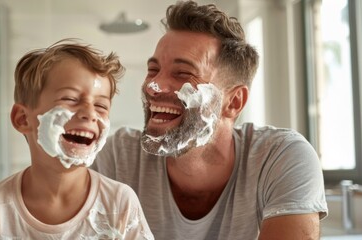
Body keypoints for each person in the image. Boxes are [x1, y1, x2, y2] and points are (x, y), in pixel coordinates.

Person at [91, 1, 328, 239]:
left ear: (234, 102)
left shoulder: (281, 157)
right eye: (153, 70)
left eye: (182, 73)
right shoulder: (117, 158)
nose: (153, 86)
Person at [0, 39, 154, 240]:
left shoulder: (119, 204)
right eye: (70, 99)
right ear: (22, 119)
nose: (90, 113)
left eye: (101, 106)